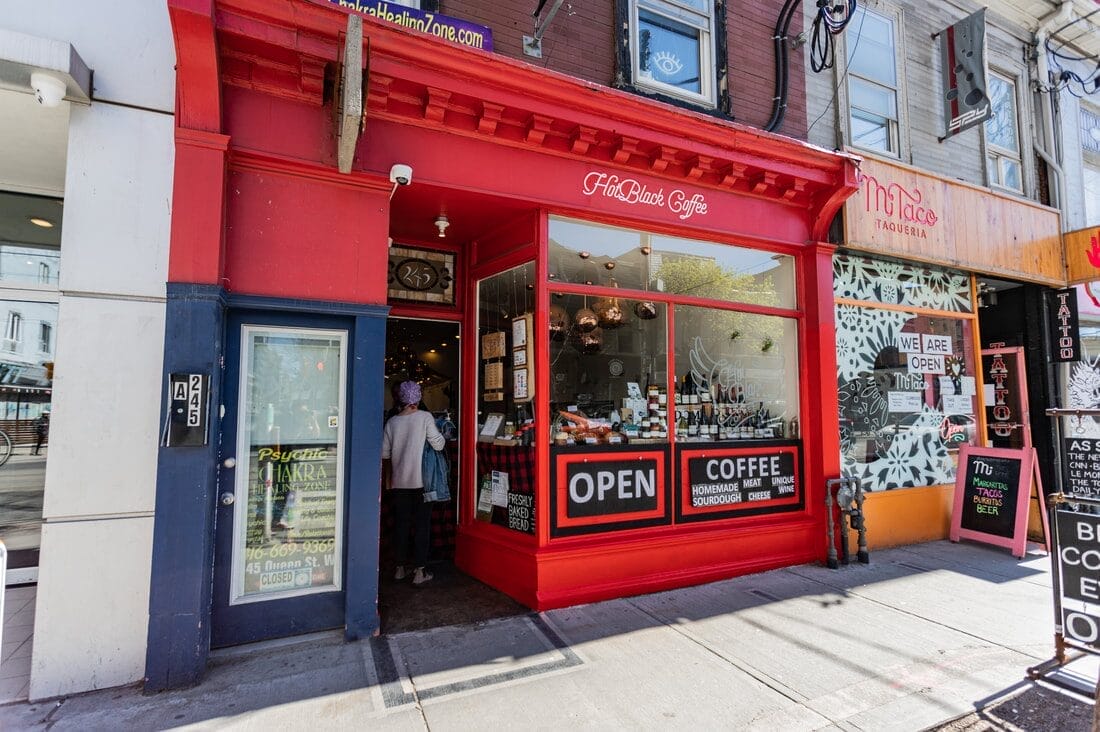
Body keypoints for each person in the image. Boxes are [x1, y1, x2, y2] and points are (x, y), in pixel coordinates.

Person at [381, 381, 444, 586]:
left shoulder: (392, 422)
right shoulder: (424, 417)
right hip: (422, 482)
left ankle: (399, 568)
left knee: (401, 525)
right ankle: (419, 571)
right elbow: (438, 443)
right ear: (417, 399)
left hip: (400, 483)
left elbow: (384, 453)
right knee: (422, 526)